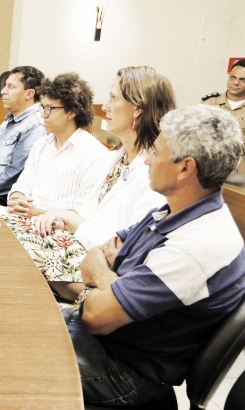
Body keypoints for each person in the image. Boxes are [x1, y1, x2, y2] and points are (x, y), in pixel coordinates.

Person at [65, 104, 245, 406]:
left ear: (185, 168)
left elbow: (97, 316)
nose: (148, 160)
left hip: (123, 372)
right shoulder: (171, 210)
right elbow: (99, 252)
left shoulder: (196, 245)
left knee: (2, 363)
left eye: (156, 152)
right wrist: (112, 280)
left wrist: (106, 276)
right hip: (102, 341)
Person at [14, 67, 175, 302]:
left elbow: (125, 254)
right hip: (79, 248)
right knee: (6, 233)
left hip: (103, 268)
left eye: (113, 98)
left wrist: (71, 220)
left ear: (138, 109)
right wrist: (62, 218)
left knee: (15, 250)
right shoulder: (116, 157)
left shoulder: (155, 172)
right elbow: (87, 214)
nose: (105, 107)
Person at [5, 72, 109, 216]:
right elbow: (22, 184)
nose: (43, 115)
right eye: (43, 107)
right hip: (25, 219)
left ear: (71, 112)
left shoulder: (95, 154)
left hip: (58, 231)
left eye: (50, 108)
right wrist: (17, 197)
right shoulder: (41, 145)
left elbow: (84, 212)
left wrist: (38, 213)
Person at [0, 66, 47, 204]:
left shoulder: (35, 126)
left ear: (29, 94)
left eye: (11, 87)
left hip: (1, 198)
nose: (3, 91)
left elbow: (16, 173)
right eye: (5, 85)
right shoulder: (8, 122)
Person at [202, 58, 245, 144]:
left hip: (240, 157)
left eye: (243, 80)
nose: (235, 82)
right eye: (233, 77)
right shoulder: (208, 103)